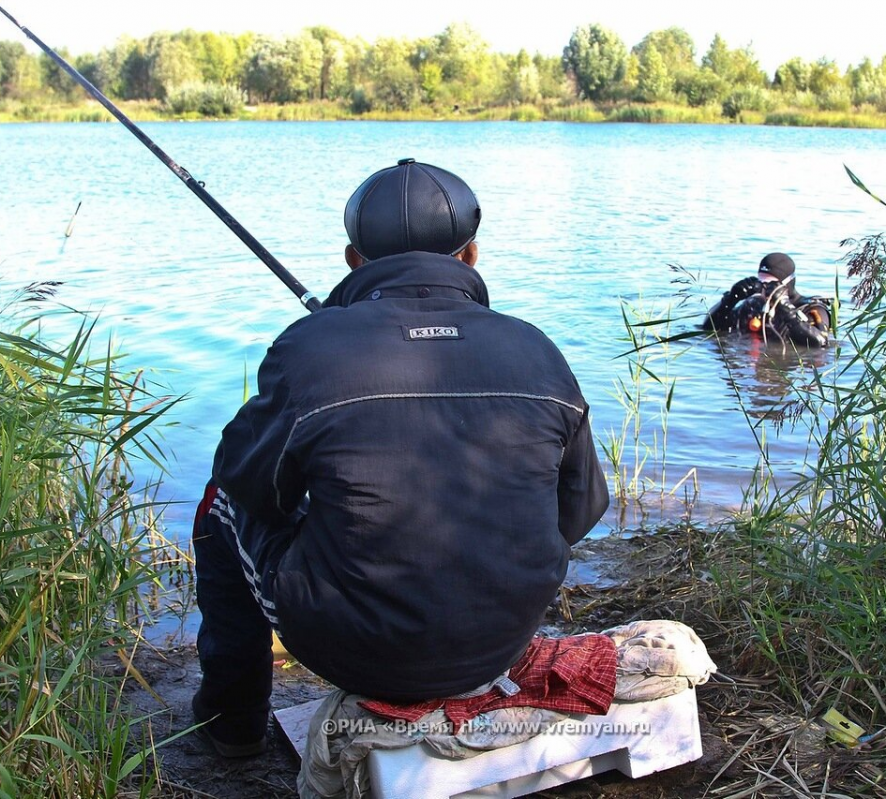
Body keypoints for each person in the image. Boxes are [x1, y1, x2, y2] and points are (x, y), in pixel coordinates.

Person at [190, 158, 610, 757]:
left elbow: (255, 489)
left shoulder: (308, 347)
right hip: (502, 642)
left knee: (220, 502)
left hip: (357, 652)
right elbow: (581, 510)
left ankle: (231, 726)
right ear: (471, 256)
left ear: (352, 259)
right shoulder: (536, 347)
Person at [702, 252, 832, 348]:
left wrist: (787, 311)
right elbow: (709, 329)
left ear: (787, 283)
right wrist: (730, 300)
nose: (765, 288)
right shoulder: (753, 306)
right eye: (761, 282)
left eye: (771, 283)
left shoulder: (812, 309)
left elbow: (821, 343)